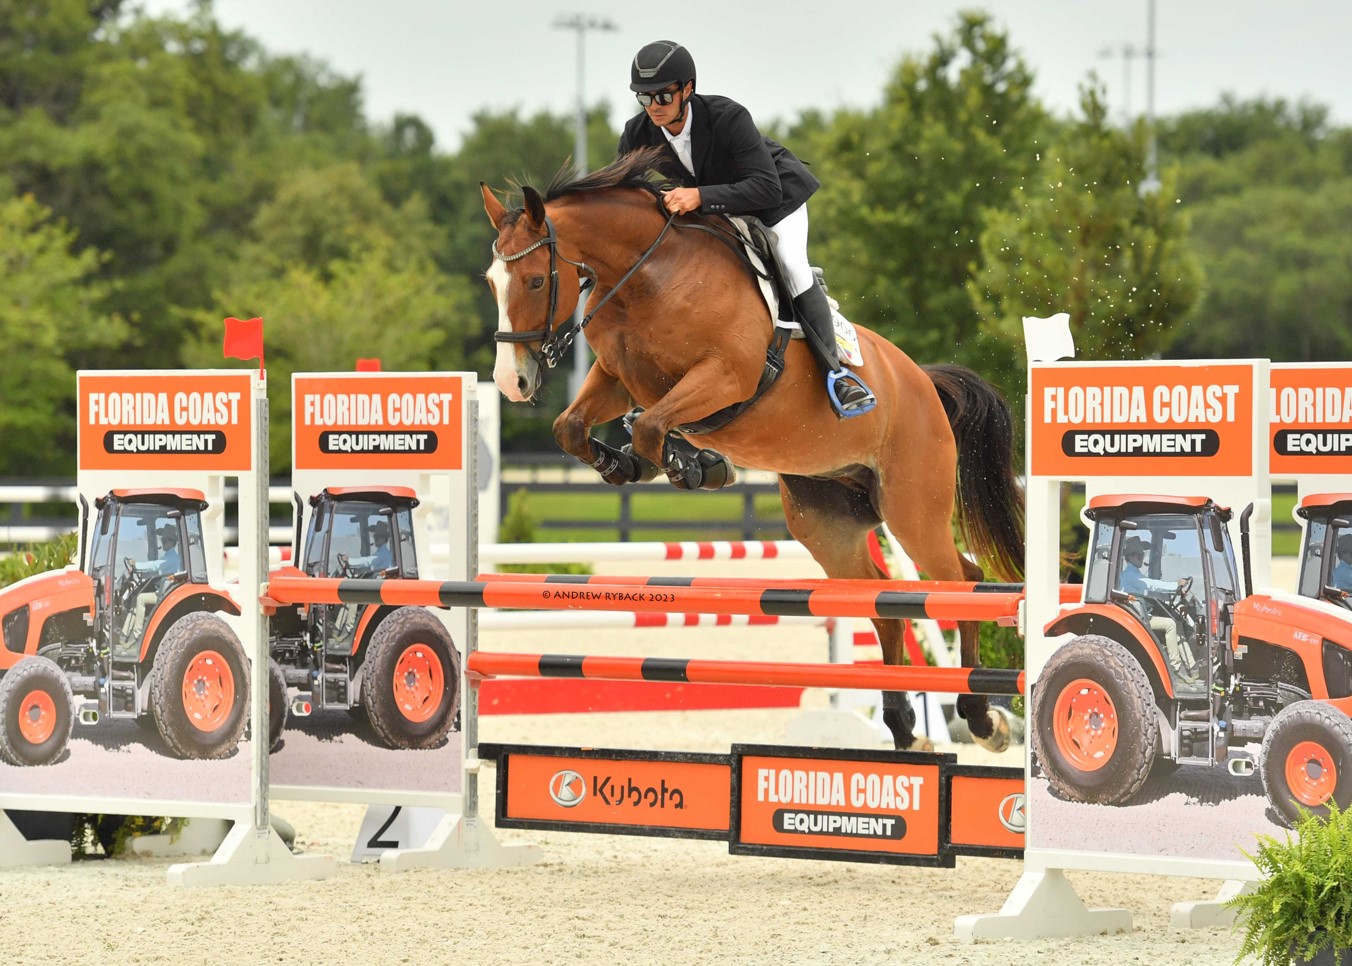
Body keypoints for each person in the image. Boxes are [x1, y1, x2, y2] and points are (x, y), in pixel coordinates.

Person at [617, 40, 876, 419]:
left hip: (775, 199)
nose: (654, 107)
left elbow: (765, 187)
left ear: (687, 89)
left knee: (790, 263)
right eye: (645, 98)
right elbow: (622, 192)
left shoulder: (727, 116)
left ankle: (836, 374)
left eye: (663, 95)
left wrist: (699, 197)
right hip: (717, 211)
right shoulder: (638, 132)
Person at [1119, 536, 1200, 684]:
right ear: (1128, 557)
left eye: (1141, 554)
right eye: (1136, 554)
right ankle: (1176, 668)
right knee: (1170, 624)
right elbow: (1151, 585)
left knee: (1176, 628)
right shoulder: (1130, 575)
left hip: (1141, 614)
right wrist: (1175, 585)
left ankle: (1192, 667)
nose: (1140, 556)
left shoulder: (1133, 574)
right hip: (1138, 617)